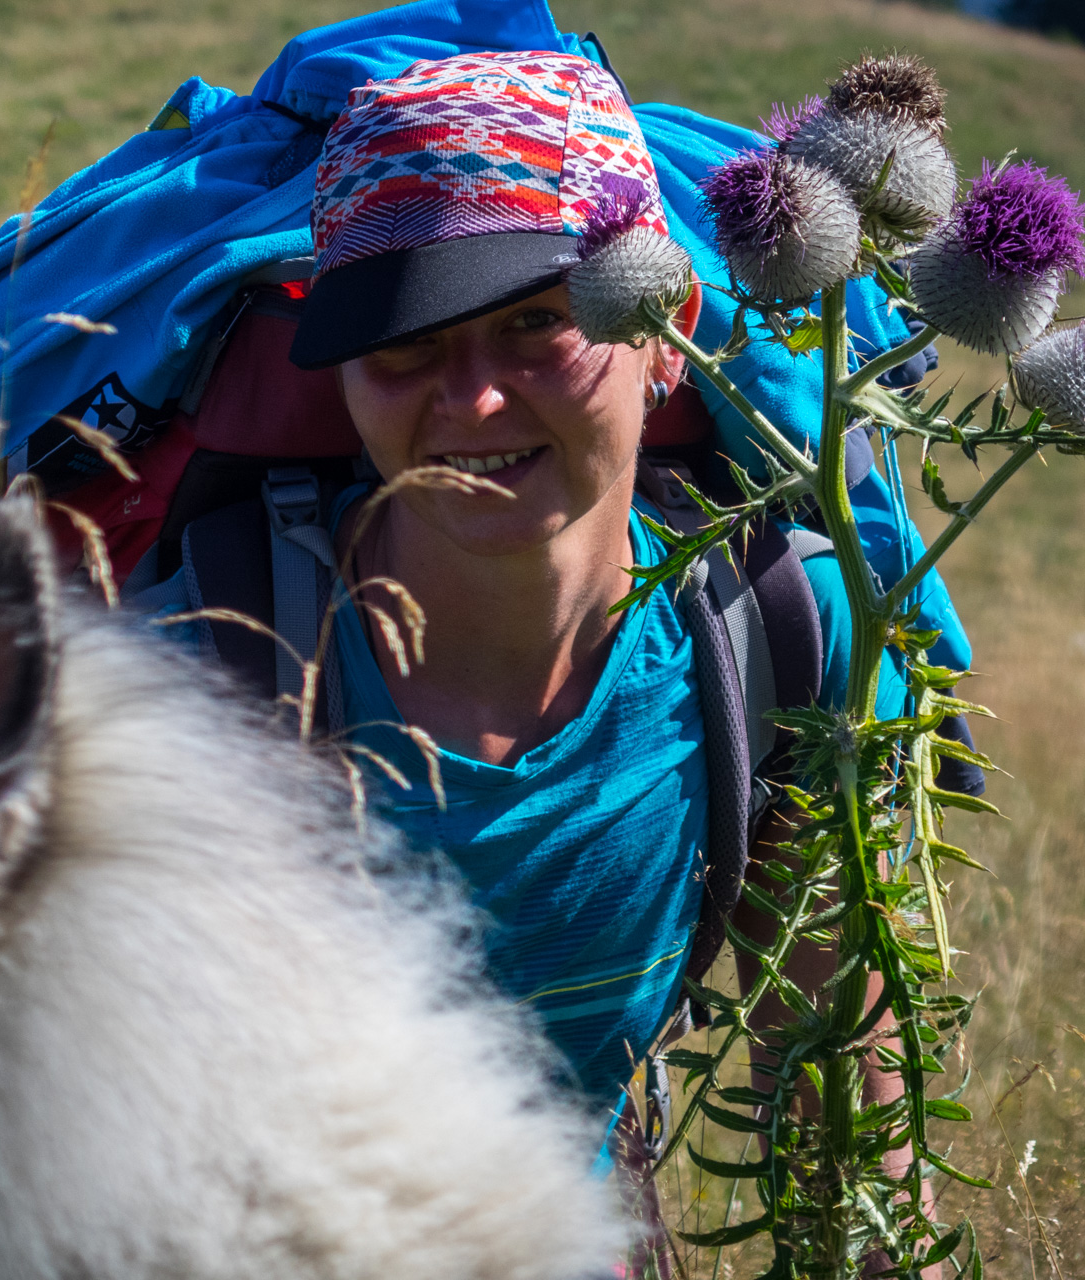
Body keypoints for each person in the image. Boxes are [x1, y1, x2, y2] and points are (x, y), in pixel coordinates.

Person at [134, 49, 934, 1249]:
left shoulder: (785, 639)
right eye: (405, 343)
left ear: (673, 334)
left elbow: (847, 1141)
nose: (475, 399)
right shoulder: (204, 667)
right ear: (340, 370)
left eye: (536, 323)